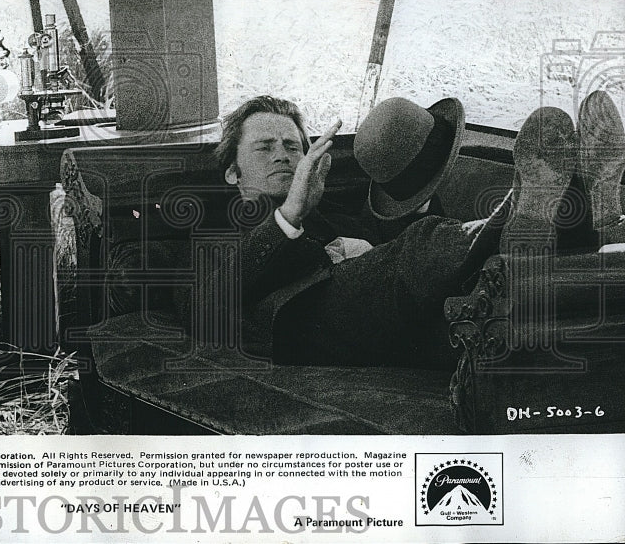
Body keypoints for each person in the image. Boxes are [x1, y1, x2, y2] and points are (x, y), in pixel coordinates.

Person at [160, 90, 624, 368]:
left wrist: (369, 238)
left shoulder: (335, 214)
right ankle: (530, 213)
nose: (283, 154)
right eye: (264, 147)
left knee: (489, 290)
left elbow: (398, 255)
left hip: (401, 319)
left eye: (292, 144)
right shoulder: (213, 231)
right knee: (421, 246)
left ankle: (583, 212)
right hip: (302, 325)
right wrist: (290, 218)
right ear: (233, 173)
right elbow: (200, 302)